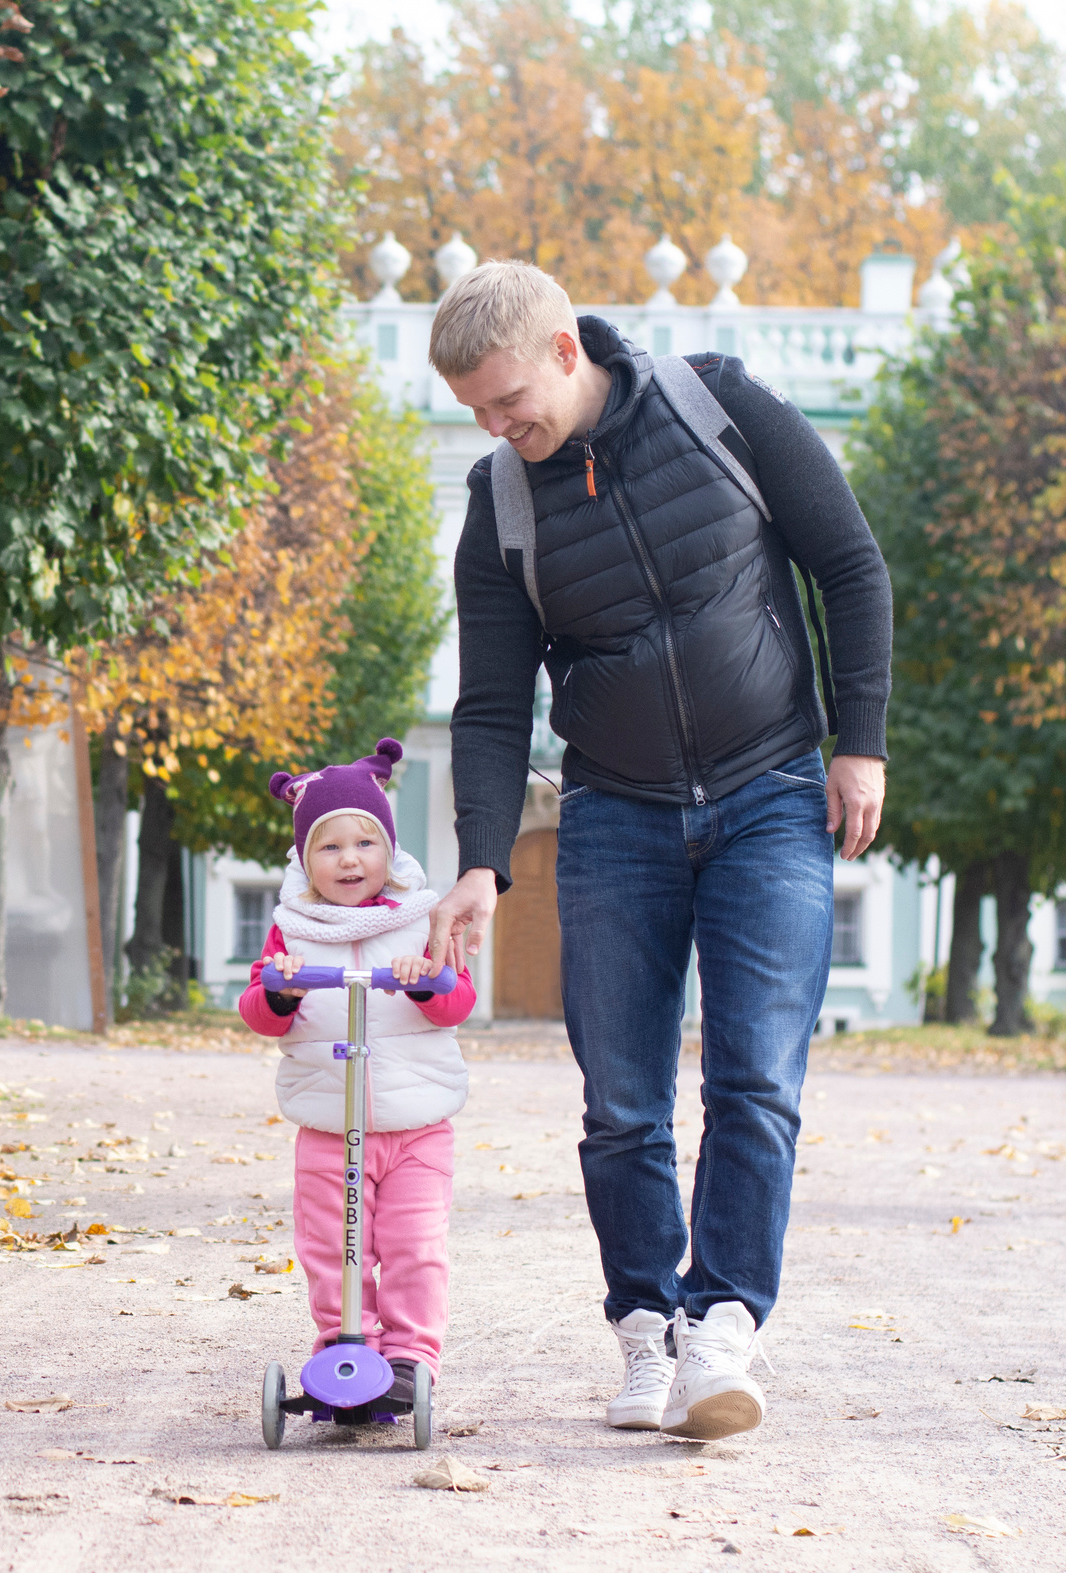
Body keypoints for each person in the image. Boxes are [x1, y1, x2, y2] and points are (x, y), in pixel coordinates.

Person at [420, 260, 892, 1442]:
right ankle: (644, 1325)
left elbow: (848, 565)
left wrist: (861, 743)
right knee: (622, 1102)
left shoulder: (714, 403)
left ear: (567, 351)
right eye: (475, 410)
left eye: (507, 399)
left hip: (773, 788)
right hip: (616, 815)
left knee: (754, 1079)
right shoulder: (504, 501)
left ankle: (723, 1324)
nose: (496, 426)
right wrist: (483, 858)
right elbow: (489, 706)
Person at [239, 740, 480, 1408]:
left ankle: (408, 1359)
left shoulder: (420, 922)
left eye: (365, 842)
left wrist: (427, 978)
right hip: (327, 1124)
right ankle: (346, 1348)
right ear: (304, 860)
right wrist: (282, 991)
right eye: (330, 846)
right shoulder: (292, 928)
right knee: (329, 1247)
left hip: (415, 1127)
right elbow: (259, 1009)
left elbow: (457, 1000)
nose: (349, 859)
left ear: (389, 849)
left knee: (412, 1245)